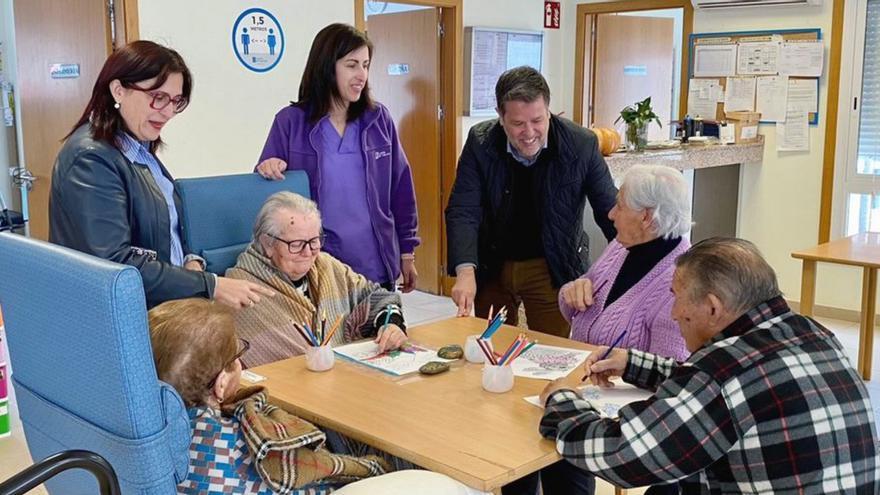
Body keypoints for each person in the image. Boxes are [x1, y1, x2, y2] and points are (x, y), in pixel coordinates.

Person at [539, 238, 879, 493]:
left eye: (676, 296)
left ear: (713, 308)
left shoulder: (723, 373)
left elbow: (624, 454)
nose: (673, 313)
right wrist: (635, 364)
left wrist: (563, 402)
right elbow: (730, 390)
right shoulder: (811, 332)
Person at [49, 40, 272, 310]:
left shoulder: (137, 149)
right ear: (119, 90)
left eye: (176, 101)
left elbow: (164, 229)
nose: (168, 112)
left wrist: (191, 263)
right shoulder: (92, 158)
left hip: (162, 303)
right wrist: (208, 284)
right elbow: (116, 264)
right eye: (158, 97)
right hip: (122, 314)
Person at [147, 298, 391, 494]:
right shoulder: (252, 450)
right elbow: (331, 474)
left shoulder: (148, 435)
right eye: (237, 353)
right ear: (221, 385)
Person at [445, 66, 617, 337]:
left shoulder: (580, 144)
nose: (529, 132)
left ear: (548, 111)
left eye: (537, 120)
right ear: (501, 117)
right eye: (517, 123)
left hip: (553, 264)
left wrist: (623, 270)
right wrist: (465, 271)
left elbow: (611, 211)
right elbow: (463, 209)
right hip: (493, 262)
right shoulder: (480, 142)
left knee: (554, 351)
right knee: (493, 347)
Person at [255, 23, 419, 292]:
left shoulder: (378, 119)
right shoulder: (291, 122)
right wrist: (268, 168)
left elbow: (401, 189)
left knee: (383, 333)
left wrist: (407, 251)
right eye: (352, 65)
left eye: (366, 65)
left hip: (375, 264)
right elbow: (270, 199)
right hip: (318, 268)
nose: (362, 75)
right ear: (326, 66)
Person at [227, 191, 407, 368]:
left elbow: (376, 296)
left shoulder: (325, 265)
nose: (308, 253)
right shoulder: (239, 289)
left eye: (314, 241)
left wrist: (390, 324)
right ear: (268, 243)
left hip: (347, 376)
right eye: (296, 244)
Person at [560, 165, 690, 361]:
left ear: (646, 217)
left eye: (620, 206)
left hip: (619, 390)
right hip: (581, 374)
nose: (611, 214)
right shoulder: (621, 247)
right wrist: (572, 292)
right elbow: (571, 309)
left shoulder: (681, 282)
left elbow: (668, 374)